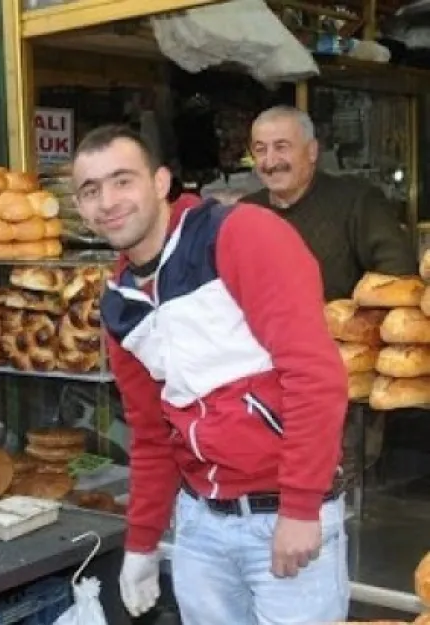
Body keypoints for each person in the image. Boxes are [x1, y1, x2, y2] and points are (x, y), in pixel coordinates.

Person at [71, 125, 349, 623]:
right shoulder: (119, 304)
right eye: (90, 191)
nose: (107, 201)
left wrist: (302, 505)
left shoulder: (239, 234)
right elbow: (152, 436)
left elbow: (314, 374)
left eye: (121, 181)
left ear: (159, 182)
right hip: (201, 525)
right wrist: (142, 542)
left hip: (281, 513)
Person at [242, 105, 417, 301]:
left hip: (340, 329)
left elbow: (401, 279)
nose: (270, 161)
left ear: (312, 151)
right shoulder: (243, 214)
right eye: (261, 149)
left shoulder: (357, 201)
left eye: (281, 147)